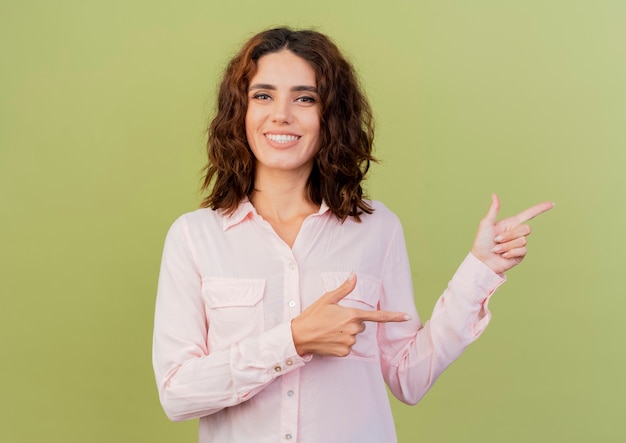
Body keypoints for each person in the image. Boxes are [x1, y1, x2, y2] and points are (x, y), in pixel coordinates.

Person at [152, 27, 553, 443]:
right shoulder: (194, 237)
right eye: (263, 95)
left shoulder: (376, 228)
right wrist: (292, 341)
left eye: (305, 98)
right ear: (240, 110)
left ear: (331, 115)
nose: (282, 114)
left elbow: (408, 377)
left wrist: (481, 271)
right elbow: (178, 394)